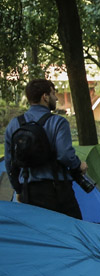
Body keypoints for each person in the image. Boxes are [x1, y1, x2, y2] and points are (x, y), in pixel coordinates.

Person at [4, 79, 87, 219]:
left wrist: (18, 189)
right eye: (53, 93)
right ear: (45, 97)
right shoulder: (58, 122)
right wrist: (79, 165)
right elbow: (65, 155)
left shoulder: (14, 124)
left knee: (38, 238)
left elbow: (10, 162)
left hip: (28, 191)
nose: (56, 98)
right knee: (73, 235)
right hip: (57, 191)